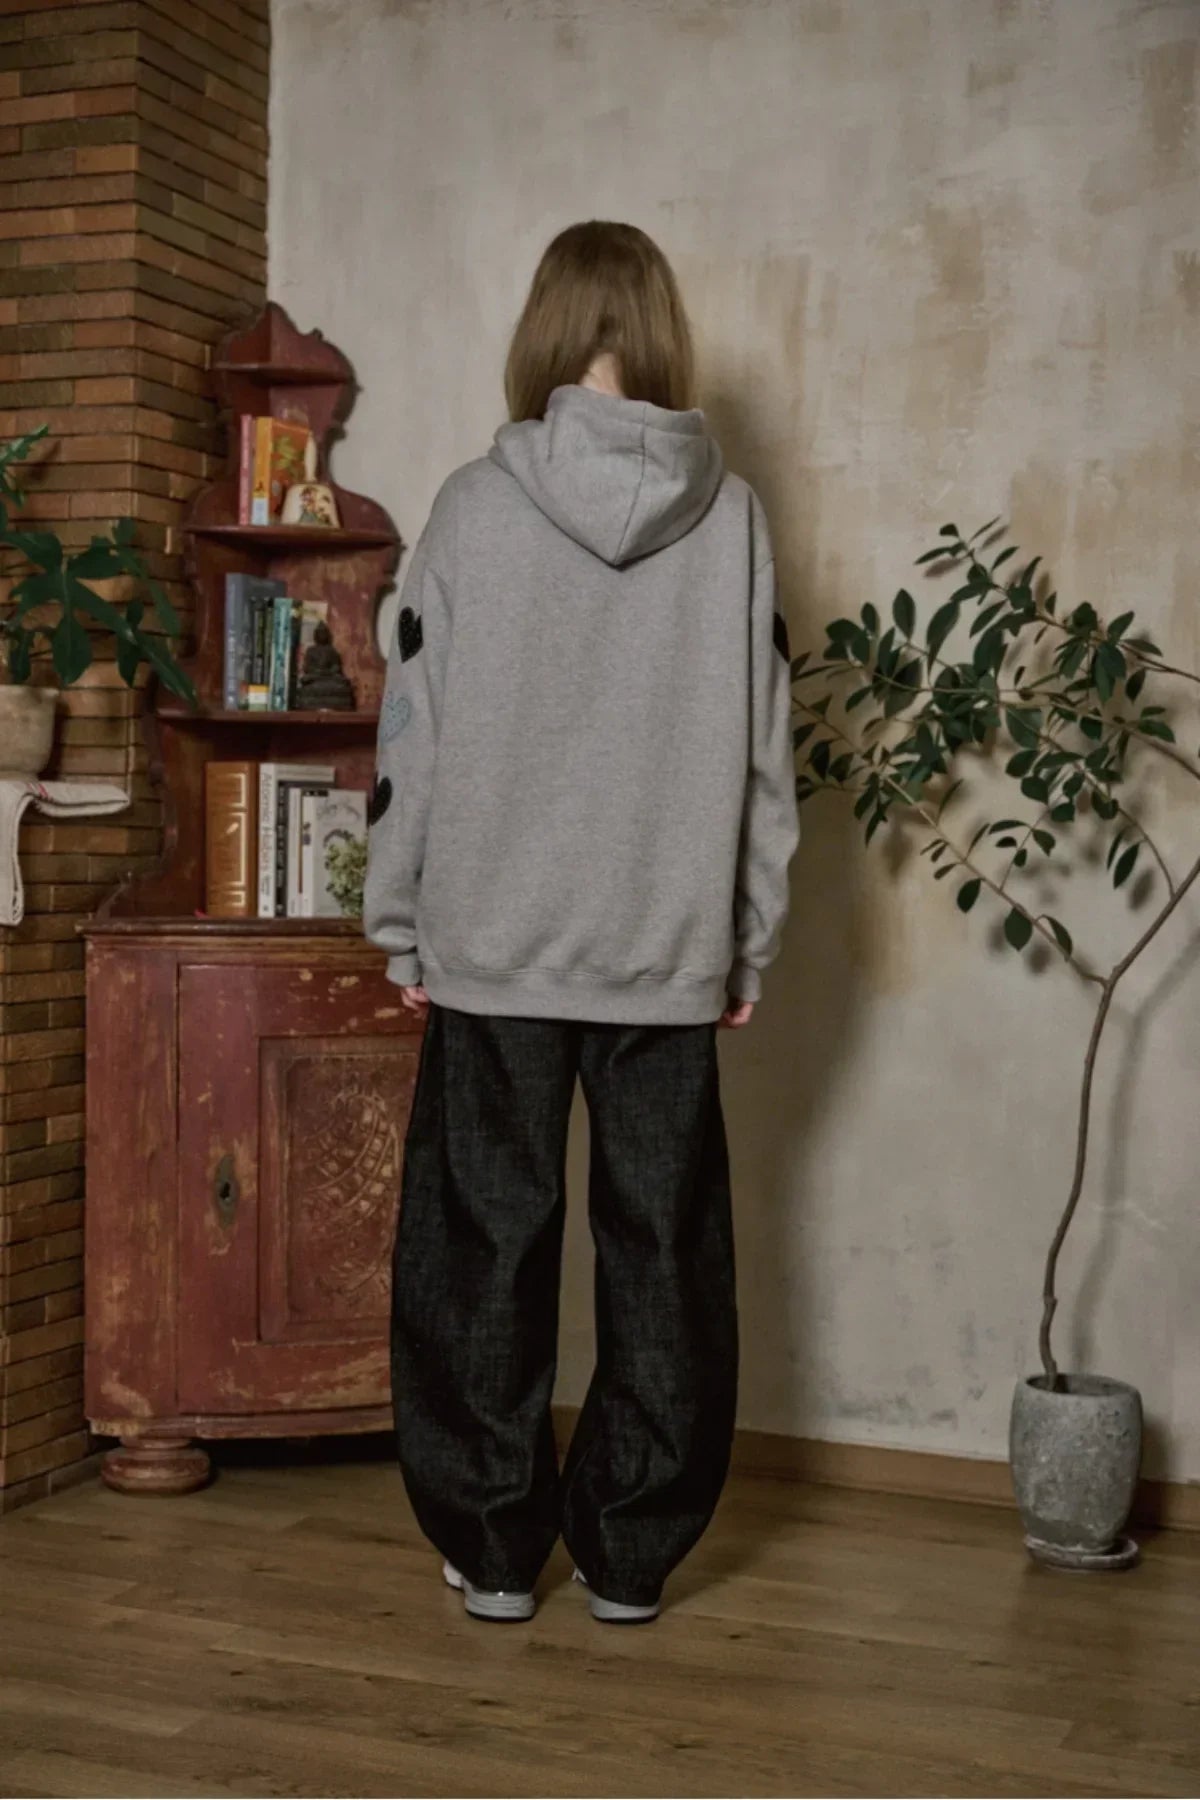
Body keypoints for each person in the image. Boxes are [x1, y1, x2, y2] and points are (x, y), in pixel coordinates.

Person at [363, 219, 800, 1627]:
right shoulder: (729, 516)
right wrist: (744, 935)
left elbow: (412, 733)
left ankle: (494, 1551)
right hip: (665, 946)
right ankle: (629, 1557)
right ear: (656, 328)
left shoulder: (472, 511)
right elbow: (764, 755)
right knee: (663, 1254)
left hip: (496, 938)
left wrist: (399, 921)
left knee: (480, 1245)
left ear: (549, 326)